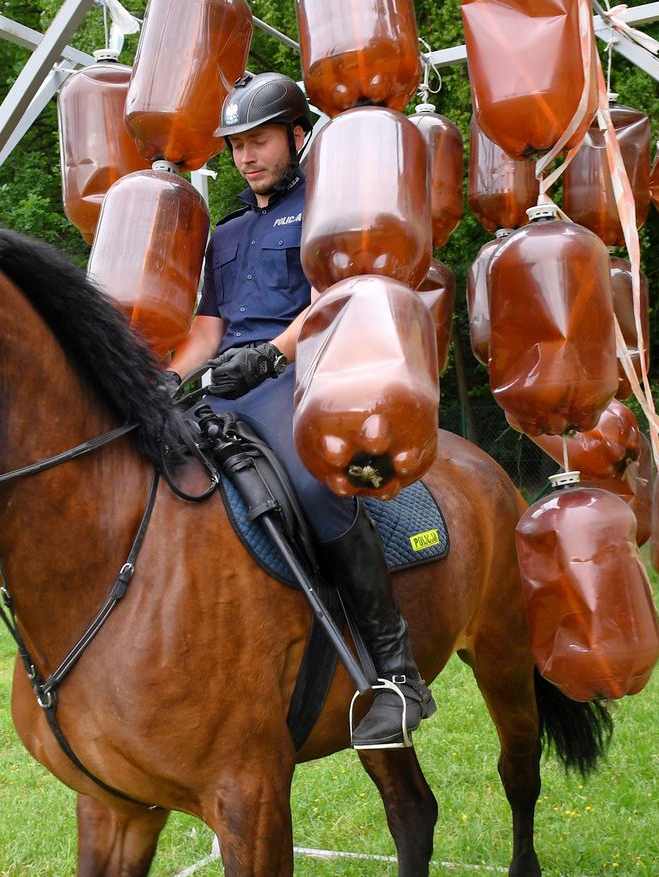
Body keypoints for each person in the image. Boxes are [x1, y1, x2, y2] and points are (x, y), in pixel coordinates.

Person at [168, 72, 436, 750]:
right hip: (223, 381)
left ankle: (398, 671)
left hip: (297, 377)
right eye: (236, 146)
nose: (246, 156)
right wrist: (164, 380)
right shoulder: (225, 233)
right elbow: (207, 326)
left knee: (316, 485)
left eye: (259, 141)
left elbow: (331, 294)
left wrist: (271, 356)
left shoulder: (324, 205)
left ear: (296, 135)